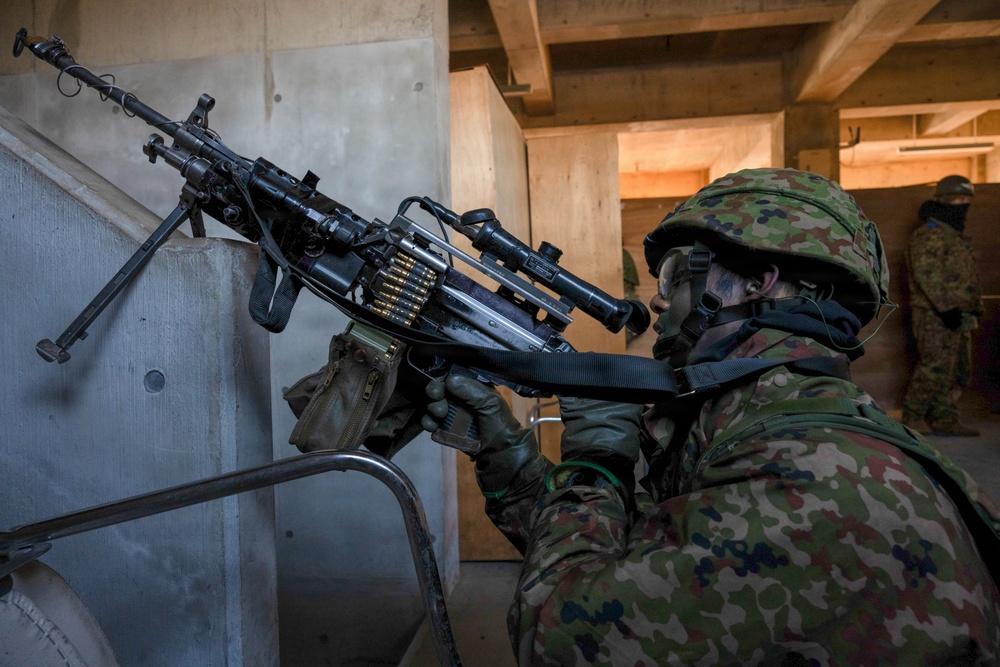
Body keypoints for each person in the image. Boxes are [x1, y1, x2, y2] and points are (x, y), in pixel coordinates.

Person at [423, 168, 1000, 665]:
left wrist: (595, 460)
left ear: (756, 285)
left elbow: (561, 637)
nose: (658, 299)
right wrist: (509, 462)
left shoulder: (815, 475)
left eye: (677, 275)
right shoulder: (765, 417)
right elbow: (634, 558)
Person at [902, 175, 983, 437]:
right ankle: (912, 417)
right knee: (934, 365)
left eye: (967, 199)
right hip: (934, 315)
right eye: (959, 199)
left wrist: (971, 307)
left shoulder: (953, 234)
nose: (964, 204)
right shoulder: (929, 233)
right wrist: (948, 309)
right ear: (944, 200)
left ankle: (945, 418)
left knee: (956, 369)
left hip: (960, 314)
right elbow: (927, 275)